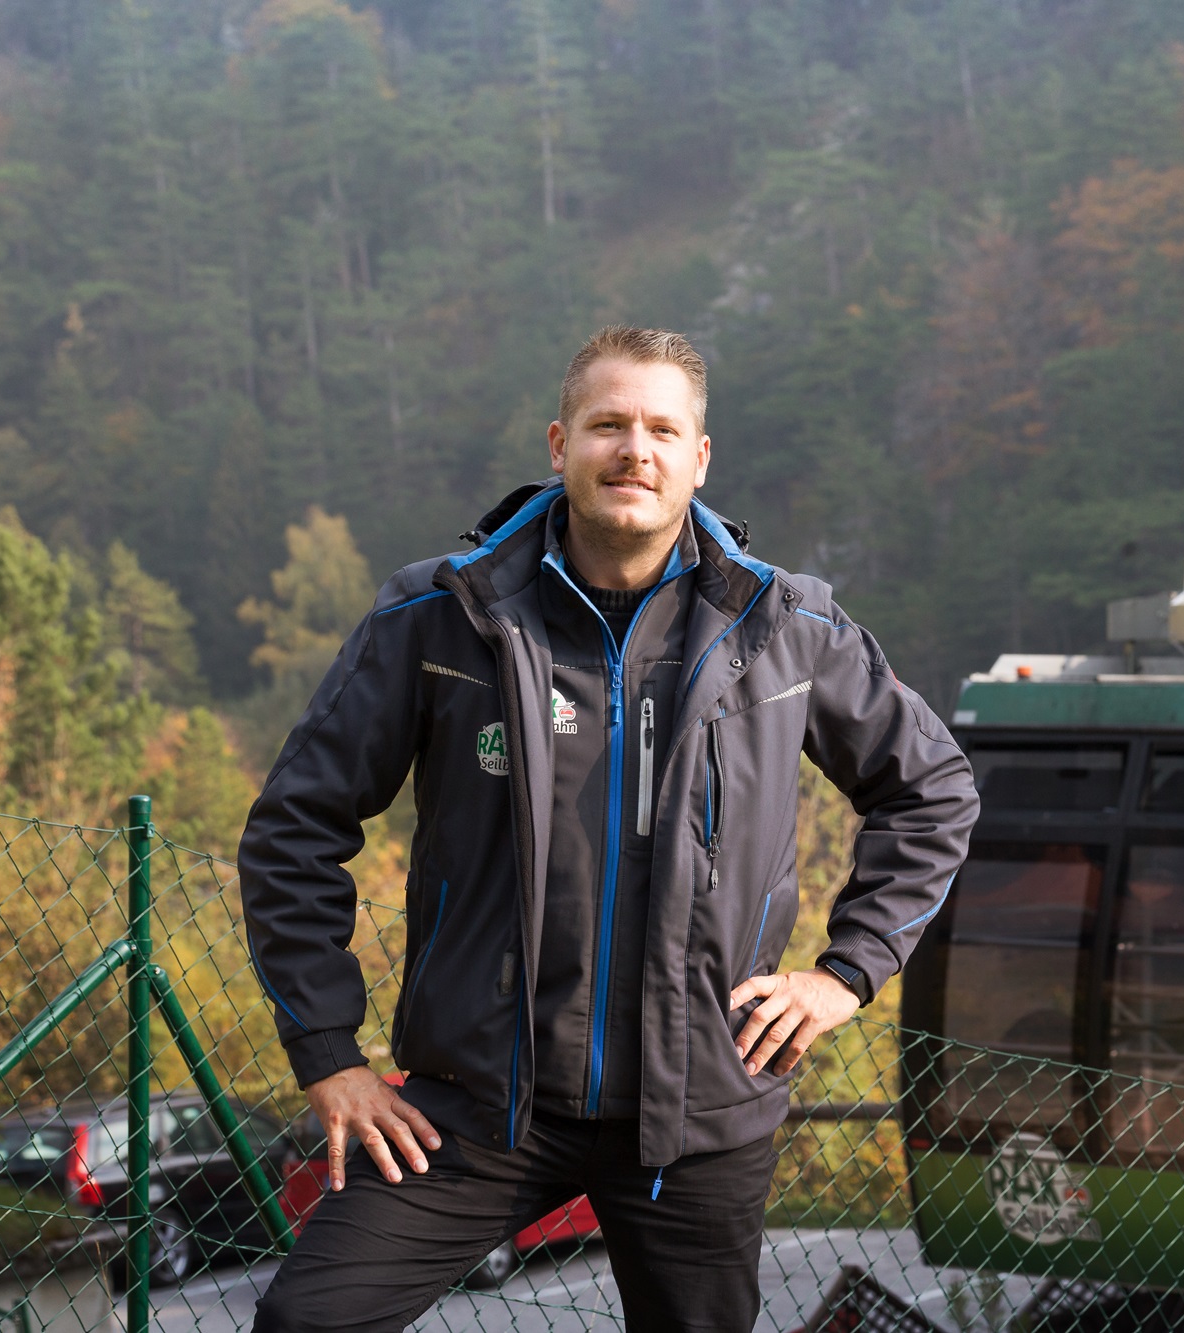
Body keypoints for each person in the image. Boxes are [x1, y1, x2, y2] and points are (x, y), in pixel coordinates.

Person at [238, 326, 979, 1332]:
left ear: (699, 457)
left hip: (702, 1113)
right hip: (477, 1105)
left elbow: (930, 789)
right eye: (608, 425)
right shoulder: (439, 616)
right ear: (558, 443)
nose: (635, 449)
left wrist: (843, 973)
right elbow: (294, 824)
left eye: (661, 428)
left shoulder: (785, 627)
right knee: (305, 1322)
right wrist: (329, 1051)